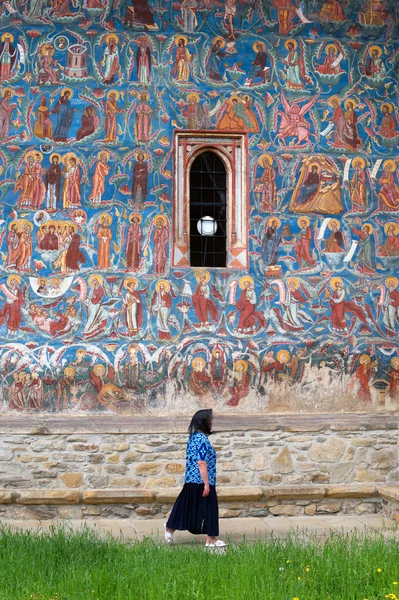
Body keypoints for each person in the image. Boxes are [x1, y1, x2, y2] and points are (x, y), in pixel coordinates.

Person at [165, 409, 226, 549]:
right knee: (210, 508)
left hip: (191, 480)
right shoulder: (202, 439)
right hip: (202, 480)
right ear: (204, 421)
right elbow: (201, 462)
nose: (212, 422)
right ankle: (211, 540)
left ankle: (169, 529)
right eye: (210, 420)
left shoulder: (193, 437)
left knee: (185, 506)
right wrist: (206, 484)